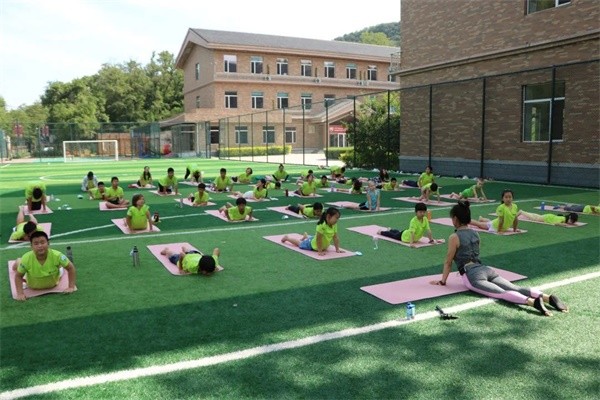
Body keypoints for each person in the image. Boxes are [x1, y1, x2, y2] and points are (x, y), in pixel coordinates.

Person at [429, 200, 568, 316]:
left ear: (455, 219)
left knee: (501, 293)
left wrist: (442, 281)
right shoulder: (476, 233)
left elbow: (448, 262)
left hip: (472, 275)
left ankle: (532, 302)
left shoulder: (454, 237)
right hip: (486, 269)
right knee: (515, 287)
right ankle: (547, 297)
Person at [12, 231, 77, 301]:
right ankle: (18, 261)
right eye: (36, 244)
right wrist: (20, 294)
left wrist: (71, 287)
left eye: (42, 242)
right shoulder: (26, 259)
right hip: (32, 284)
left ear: (48, 243)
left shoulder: (57, 255)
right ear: (31, 246)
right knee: (20, 263)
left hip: (54, 281)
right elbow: (18, 276)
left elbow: (70, 268)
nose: (40, 246)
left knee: (61, 268)